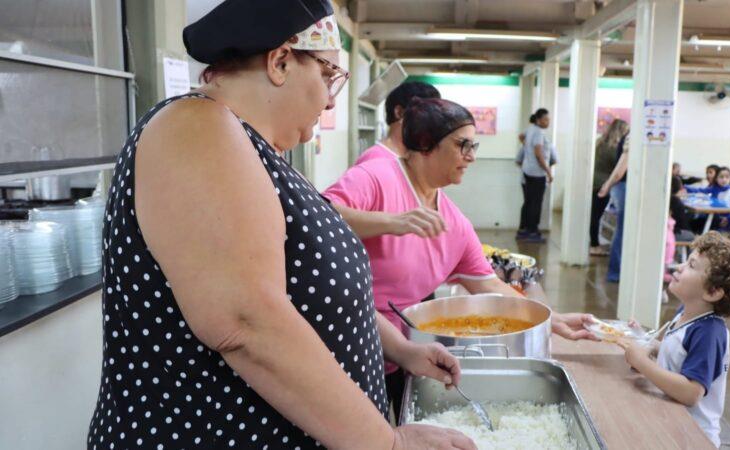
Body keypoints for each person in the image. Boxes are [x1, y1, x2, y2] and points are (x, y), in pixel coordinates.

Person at [87, 2, 477, 449]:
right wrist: (390, 444)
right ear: (281, 61)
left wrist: (401, 349)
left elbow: (310, 295)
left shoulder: (260, 152)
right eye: (329, 75)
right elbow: (245, 322)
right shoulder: (195, 128)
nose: (331, 99)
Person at [324, 98, 596, 419]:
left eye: (473, 145)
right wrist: (391, 222)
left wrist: (553, 318)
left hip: (405, 353)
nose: (471, 157)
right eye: (461, 145)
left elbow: (490, 287)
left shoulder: (454, 224)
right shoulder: (376, 176)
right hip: (346, 347)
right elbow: (319, 216)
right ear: (426, 144)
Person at [617, 232, 730, 447]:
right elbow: (679, 352)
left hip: (692, 437)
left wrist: (642, 363)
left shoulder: (710, 332)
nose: (680, 266)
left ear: (712, 292)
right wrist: (646, 344)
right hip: (672, 423)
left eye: (691, 265)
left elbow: (691, 392)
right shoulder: (688, 313)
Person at [355, 81, 441, 165]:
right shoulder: (374, 160)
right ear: (399, 112)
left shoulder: (412, 160)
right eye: (427, 113)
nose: (433, 121)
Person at [590, 119, 629, 256]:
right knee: (596, 216)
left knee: (594, 214)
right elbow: (619, 169)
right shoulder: (614, 148)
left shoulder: (600, 142)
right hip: (603, 183)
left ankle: (593, 243)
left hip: (594, 180)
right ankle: (594, 246)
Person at [516, 109, 554, 243]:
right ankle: (532, 232)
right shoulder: (538, 132)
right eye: (545, 120)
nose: (547, 122)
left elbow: (521, 136)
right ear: (538, 120)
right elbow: (539, 154)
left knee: (528, 202)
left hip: (527, 171)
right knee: (535, 203)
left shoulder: (530, 129)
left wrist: (527, 149)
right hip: (537, 173)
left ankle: (523, 230)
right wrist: (548, 172)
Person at [598, 131, 630, 283]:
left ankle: (616, 271)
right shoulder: (633, 136)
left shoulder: (627, 135)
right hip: (624, 186)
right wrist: (607, 184)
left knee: (623, 230)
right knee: (623, 231)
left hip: (620, 187)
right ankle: (615, 272)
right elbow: (621, 169)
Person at [687, 166, 730, 231]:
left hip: (726, 220)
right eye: (721, 177)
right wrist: (684, 187)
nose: (724, 179)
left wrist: (729, 219)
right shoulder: (713, 189)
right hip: (712, 217)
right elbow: (700, 190)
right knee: (691, 222)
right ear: (716, 179)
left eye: (727, 177)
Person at [671, 176, 695, 243]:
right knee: (692, 236)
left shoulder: (669, 199)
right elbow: (684, 225)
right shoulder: (676, 201)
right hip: (673, 233)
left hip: (669, 230)